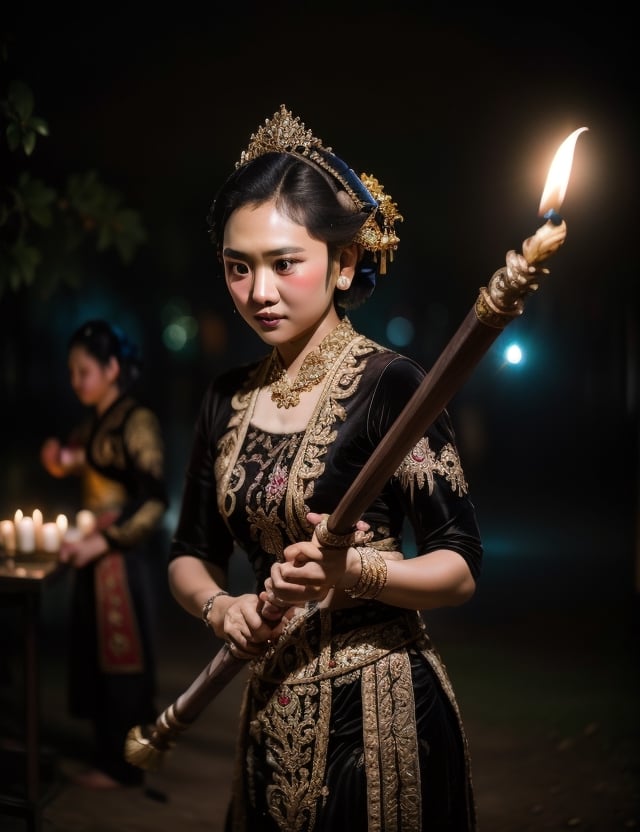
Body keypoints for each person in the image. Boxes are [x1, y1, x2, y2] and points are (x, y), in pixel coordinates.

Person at [167, 105, 485, 831]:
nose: (259, 292)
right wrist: (222, 608)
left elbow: (460, 569)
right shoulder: (226, 397)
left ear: (344, 264)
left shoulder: (393, 386)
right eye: (237, 267)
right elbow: (190, 553)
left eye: (285, 263)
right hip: (266, 712)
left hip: (380, 718)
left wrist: (352, 573)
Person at [41, 319, 169, 789]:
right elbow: (77, 457)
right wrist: (58, 457)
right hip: (95, 559)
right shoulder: (95, 421)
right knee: (97, 657)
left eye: (84, 371)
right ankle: (105, 754)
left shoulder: (136, 421)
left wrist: (105, 539)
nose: (76, 382)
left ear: (113, 368)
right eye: (71, 372)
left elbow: (153, 497)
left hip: (122, 561)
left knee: (123, 662)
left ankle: (125, 765)